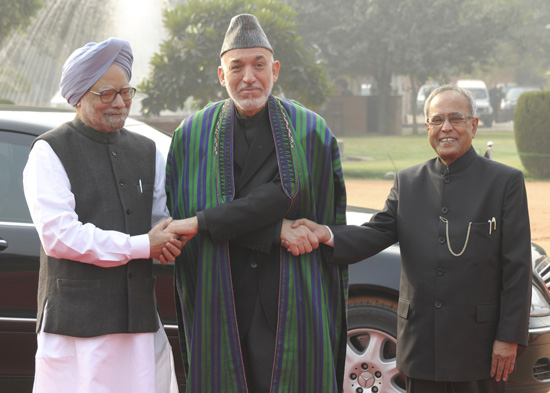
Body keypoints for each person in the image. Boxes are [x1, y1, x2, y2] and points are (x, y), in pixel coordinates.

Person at [295, 85, 532, 392]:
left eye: (456, 118)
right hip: (422, 344)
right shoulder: (407, 183)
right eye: (437, 120)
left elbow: (517, 267)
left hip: (479, 346)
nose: (445, 128)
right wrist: (325, 234)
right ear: (427, 128)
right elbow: (376, 232)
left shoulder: (504, 183)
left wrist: (509, 336)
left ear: (474, 125)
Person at [164, 14, 348, 393]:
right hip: (222, 295)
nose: (248, 77)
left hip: (291, 298)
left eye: (258, 65)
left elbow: (301, 200)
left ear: (275, 70)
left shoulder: (310, 131)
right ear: (221, 75)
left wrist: (216, 221)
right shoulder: (192, 135)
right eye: (237, 67)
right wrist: (276, 229)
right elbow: (190, 208)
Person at [23, 37, 181, 393]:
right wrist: (144, 245)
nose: (120, 103)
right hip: (77, 328)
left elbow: (158, 217)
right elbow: (60, 237)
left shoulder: (147, 150)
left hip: (138, 318)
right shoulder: (49, 152)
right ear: (79, 96)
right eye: (106, 94)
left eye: (126, 92)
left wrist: (167, 238)